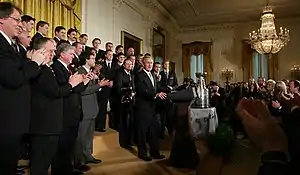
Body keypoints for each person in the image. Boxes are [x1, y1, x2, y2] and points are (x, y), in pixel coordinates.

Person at [0, 2, 46, 174]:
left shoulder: (10, 45)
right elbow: (13, 78)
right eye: (17, 20)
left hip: (12, 119)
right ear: (1, 20)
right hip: (6, 120)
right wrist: (34, 63)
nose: (20, 24)